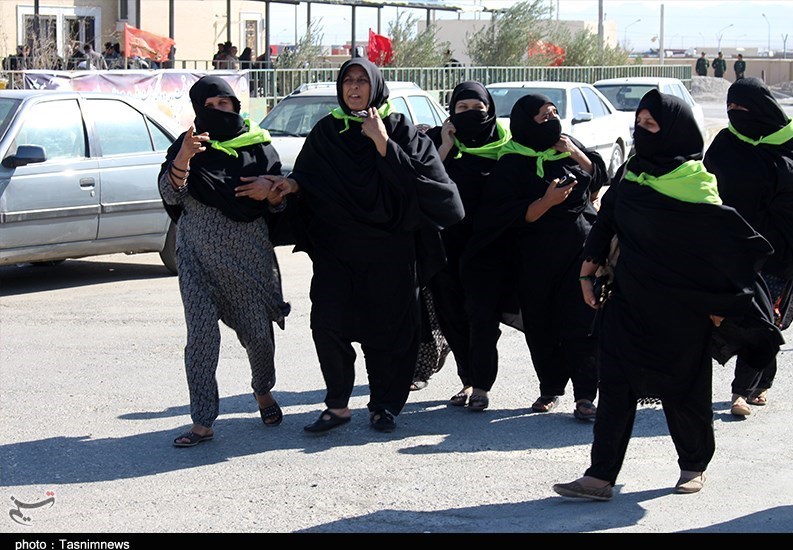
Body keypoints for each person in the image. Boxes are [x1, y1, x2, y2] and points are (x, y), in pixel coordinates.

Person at [552, 90, 779, 501]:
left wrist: (719, 305)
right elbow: (607, 220)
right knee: (615, 386)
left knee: (684, 391)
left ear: (674, 131)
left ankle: (693, 465)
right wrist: (587, 271)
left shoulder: (696, 183)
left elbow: (722, 250)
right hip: (626, 299)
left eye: (651, 124)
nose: (641, 130)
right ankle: (600, 476)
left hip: (681, 309)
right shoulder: (632, 172)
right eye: (638, 123)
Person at [265, 58, 464, 433]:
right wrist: (291, 186)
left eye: (362, 81)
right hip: (338, 251)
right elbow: (309, 177)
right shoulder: (327, 132)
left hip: (392, 253)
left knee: (388, 334)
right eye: (348, 81)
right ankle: (337, 405)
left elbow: (432, 190)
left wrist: (382, 142)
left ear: (376, 86)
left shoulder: (401, 130)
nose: (354, 87)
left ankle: (384, 406)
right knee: (327, 325)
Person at [158, 75, 291, 447]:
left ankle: (262, 389)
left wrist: (271, 193)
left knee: (258, 337)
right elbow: (171, 194)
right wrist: (184, 157)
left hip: (248, 261)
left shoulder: (259, 147)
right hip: (197, 260)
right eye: (210, 106)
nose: (218, 111)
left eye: (224, 104)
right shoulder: (187, 146)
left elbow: (280, 204)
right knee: (201, 338)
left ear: (236, 106)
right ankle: (202, 421)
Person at [460, 93, 607, 416]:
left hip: (579, 251)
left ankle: (585, 396)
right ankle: (550, 388)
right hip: (535, 257)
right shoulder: (511, 161)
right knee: (542, 326)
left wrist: (575, 153)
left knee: (581, 323)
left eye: (554, 113)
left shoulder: (567, 146)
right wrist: (547, 201)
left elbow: (599, 176)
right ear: (527, 122)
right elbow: (507, 214)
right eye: (544, 116)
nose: (552, 120)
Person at [416, 81, 511, 403]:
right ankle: (468, 379)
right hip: (445, 244)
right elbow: (421, 181)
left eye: (477, 108)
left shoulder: (507, 145)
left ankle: (481, 385)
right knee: (452, 315)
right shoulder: (433, 142)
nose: (470, 114)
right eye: (462, 108)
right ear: (451, 111)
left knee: (482, 316)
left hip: (489, 246)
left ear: (489, 110)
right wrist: (444, 146)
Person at [704, 77, 793, 416]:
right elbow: (707, 185)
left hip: (780, 250)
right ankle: (746, 388)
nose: (734, 113)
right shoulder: (726, 142)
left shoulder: (789, 142)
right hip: (734, 246)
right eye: (729, 107)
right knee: (749, 316)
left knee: (767, 319)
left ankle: (750, 386)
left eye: (741, 107)